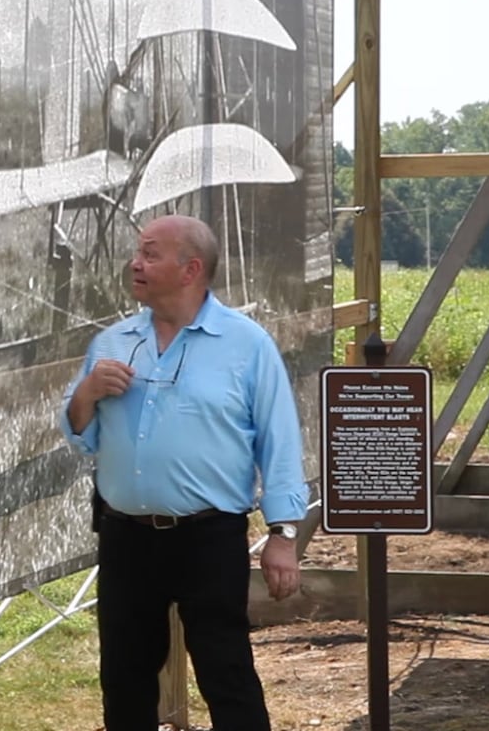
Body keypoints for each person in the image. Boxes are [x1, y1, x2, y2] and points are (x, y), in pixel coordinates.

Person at [59, 214, 306, 731]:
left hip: (209, 537)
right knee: (124, 678)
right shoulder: (111, 342)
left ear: (190, 268)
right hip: (126, 536)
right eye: (137, 252)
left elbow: (279, 442)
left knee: (226, 671)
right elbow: (81, 432)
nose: (135, 263)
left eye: (150, 253)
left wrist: (283, 534)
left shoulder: (247, 345)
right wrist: (86, 394)